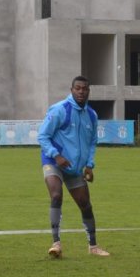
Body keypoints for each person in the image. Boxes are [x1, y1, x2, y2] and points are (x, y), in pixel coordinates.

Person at [38, 76, 109, 258]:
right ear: (71, 90)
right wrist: (56, 155)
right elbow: (43, 136)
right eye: (77, 88)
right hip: (53, 161)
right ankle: (56, 244)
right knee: (56, 195)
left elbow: (92, 142)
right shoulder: (60, 110)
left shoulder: (91, 115)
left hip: (74, 167)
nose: (81, 91)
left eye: (84, 89)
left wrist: (90, 165)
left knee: (85, 204)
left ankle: (93, 247)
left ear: (88, 91)